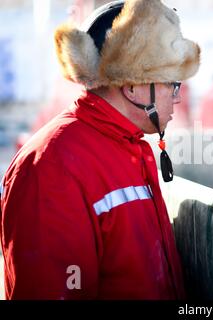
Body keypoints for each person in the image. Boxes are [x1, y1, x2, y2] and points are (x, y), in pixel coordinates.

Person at [0, 0, 200, 299]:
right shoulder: (53, 167)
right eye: (171, 84)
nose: (177, 98)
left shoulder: (126, 147)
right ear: (132, 86)